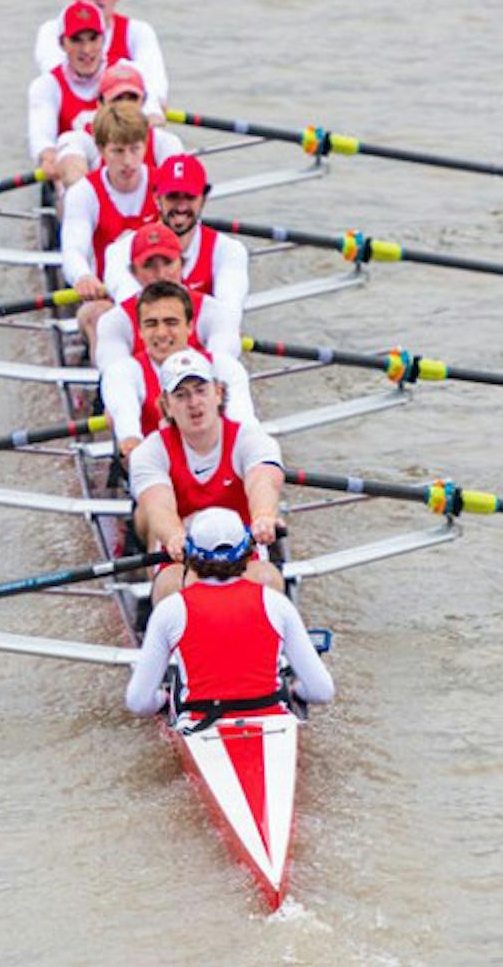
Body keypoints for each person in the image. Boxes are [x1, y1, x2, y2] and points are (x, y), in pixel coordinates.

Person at [123, 507, 334, 720]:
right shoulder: (276, 603)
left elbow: (138, 703)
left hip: (199, 723)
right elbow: (322, 692)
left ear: (191, 554)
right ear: (246, 553)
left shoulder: (170, 609)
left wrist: (164, 700)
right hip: (273, 720)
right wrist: (294, 691)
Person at [129, 350, 286, 605]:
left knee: (268, 580)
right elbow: (158, 506)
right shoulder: (150, 451)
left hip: (242, 553)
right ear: (166, 405)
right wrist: (173, 536)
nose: (194, 403)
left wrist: (264, 516)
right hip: (182, 558)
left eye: (201, 391)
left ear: (218, 393)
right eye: (181, 395)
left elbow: (263, 481)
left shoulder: (250, 439)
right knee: (172, 587)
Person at [97, 275, 258, 459]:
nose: (161, 333)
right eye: (151, 324)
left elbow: (244, 422)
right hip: (155, 466)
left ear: (190, 327)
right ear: (140, 331)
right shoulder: (123, 371)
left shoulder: (224, 367)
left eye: (171, 322)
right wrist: (129, 438)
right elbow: (126, 419)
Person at [103, 154, 250, 321]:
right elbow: (130, 307)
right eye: (172, 196)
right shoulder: (120, 251)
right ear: (156, 198)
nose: (181, 207)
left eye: (189, 197)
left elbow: (229, 313)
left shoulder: (229, 250)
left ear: (203, 199)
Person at [91, 223, 243, 375]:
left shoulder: (214, 313)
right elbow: (115, 377)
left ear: (183, 264)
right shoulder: (115, 321)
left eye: (168, 262)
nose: (161, 274)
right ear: (133, 272)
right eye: (149, 265)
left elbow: (222, 372)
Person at [60, 102, 158, 337]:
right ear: (101, 149)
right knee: (96, 317)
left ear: (145, 145)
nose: (128, 161)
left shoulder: (164, 187)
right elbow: (73, 250)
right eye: (118, 151)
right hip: (106, 296)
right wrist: (83, 276)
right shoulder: (84, 192)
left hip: (160, 296)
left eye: (135, 149)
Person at [32, 0, 168, 117]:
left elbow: (155, 86)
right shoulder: (51, 30)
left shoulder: (138, 31)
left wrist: (153, 109)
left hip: (123, 121)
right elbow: (57, 72)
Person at [52, 64, 184, 186]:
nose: (126, 106)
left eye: (132, 98)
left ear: (143, 102)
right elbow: (72, 170)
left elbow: (177, 185)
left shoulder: (165, 142)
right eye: (118, 98)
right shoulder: (79, 139)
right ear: (100, 103)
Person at [27, 0, 108, 185]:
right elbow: (42, 139)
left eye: (93, 39)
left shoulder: (125, 75)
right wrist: (47, 156)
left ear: (104, 39)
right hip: (69, 170)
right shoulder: (46, 85)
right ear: (61, 43)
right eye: (76, 40)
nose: (86, 49)